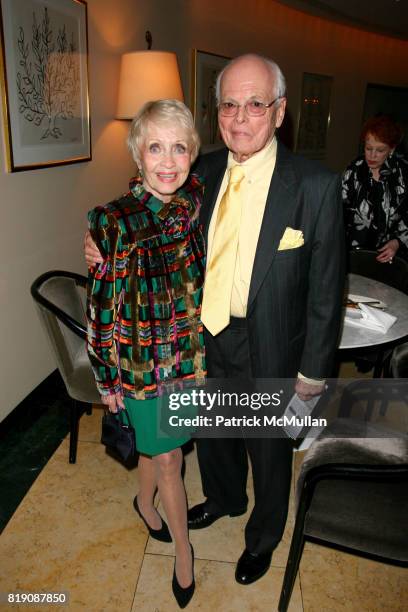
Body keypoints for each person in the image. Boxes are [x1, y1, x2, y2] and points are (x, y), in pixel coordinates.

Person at [85, 54, 345, 586]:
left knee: (268, 451)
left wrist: (313, 373)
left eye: (256, 104)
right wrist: (97, 243)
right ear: (218, 111)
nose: (242, 117)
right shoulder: (200, 170)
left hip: (271, 342)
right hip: (200, 337)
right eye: (230, 104)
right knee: (216, 435)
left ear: (279, 113)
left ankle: (264, 536)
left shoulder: (315, 186)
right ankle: (226, 499)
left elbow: (327, 290)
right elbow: (145, 212)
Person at [86, 99, 205, 608]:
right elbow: (101, 309)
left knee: (156, 450)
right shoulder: (112, 221)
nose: (168, 160)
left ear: (192, 155)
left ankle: (142, 501)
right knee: (170, 458)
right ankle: (184, 553)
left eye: (179, 147)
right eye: (155, 146)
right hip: (138, 367)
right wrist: (107, 378)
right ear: (137, 152)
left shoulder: (194, 202)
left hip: (186, 359)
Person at [342, 115, 408, 262]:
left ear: (392, 149)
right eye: (368, 148)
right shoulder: (354, 170)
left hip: (391, 257)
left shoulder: (403, 174)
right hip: (353, 254)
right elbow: (339, 211)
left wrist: (398, 242)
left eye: (380, 150)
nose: (372, 155)